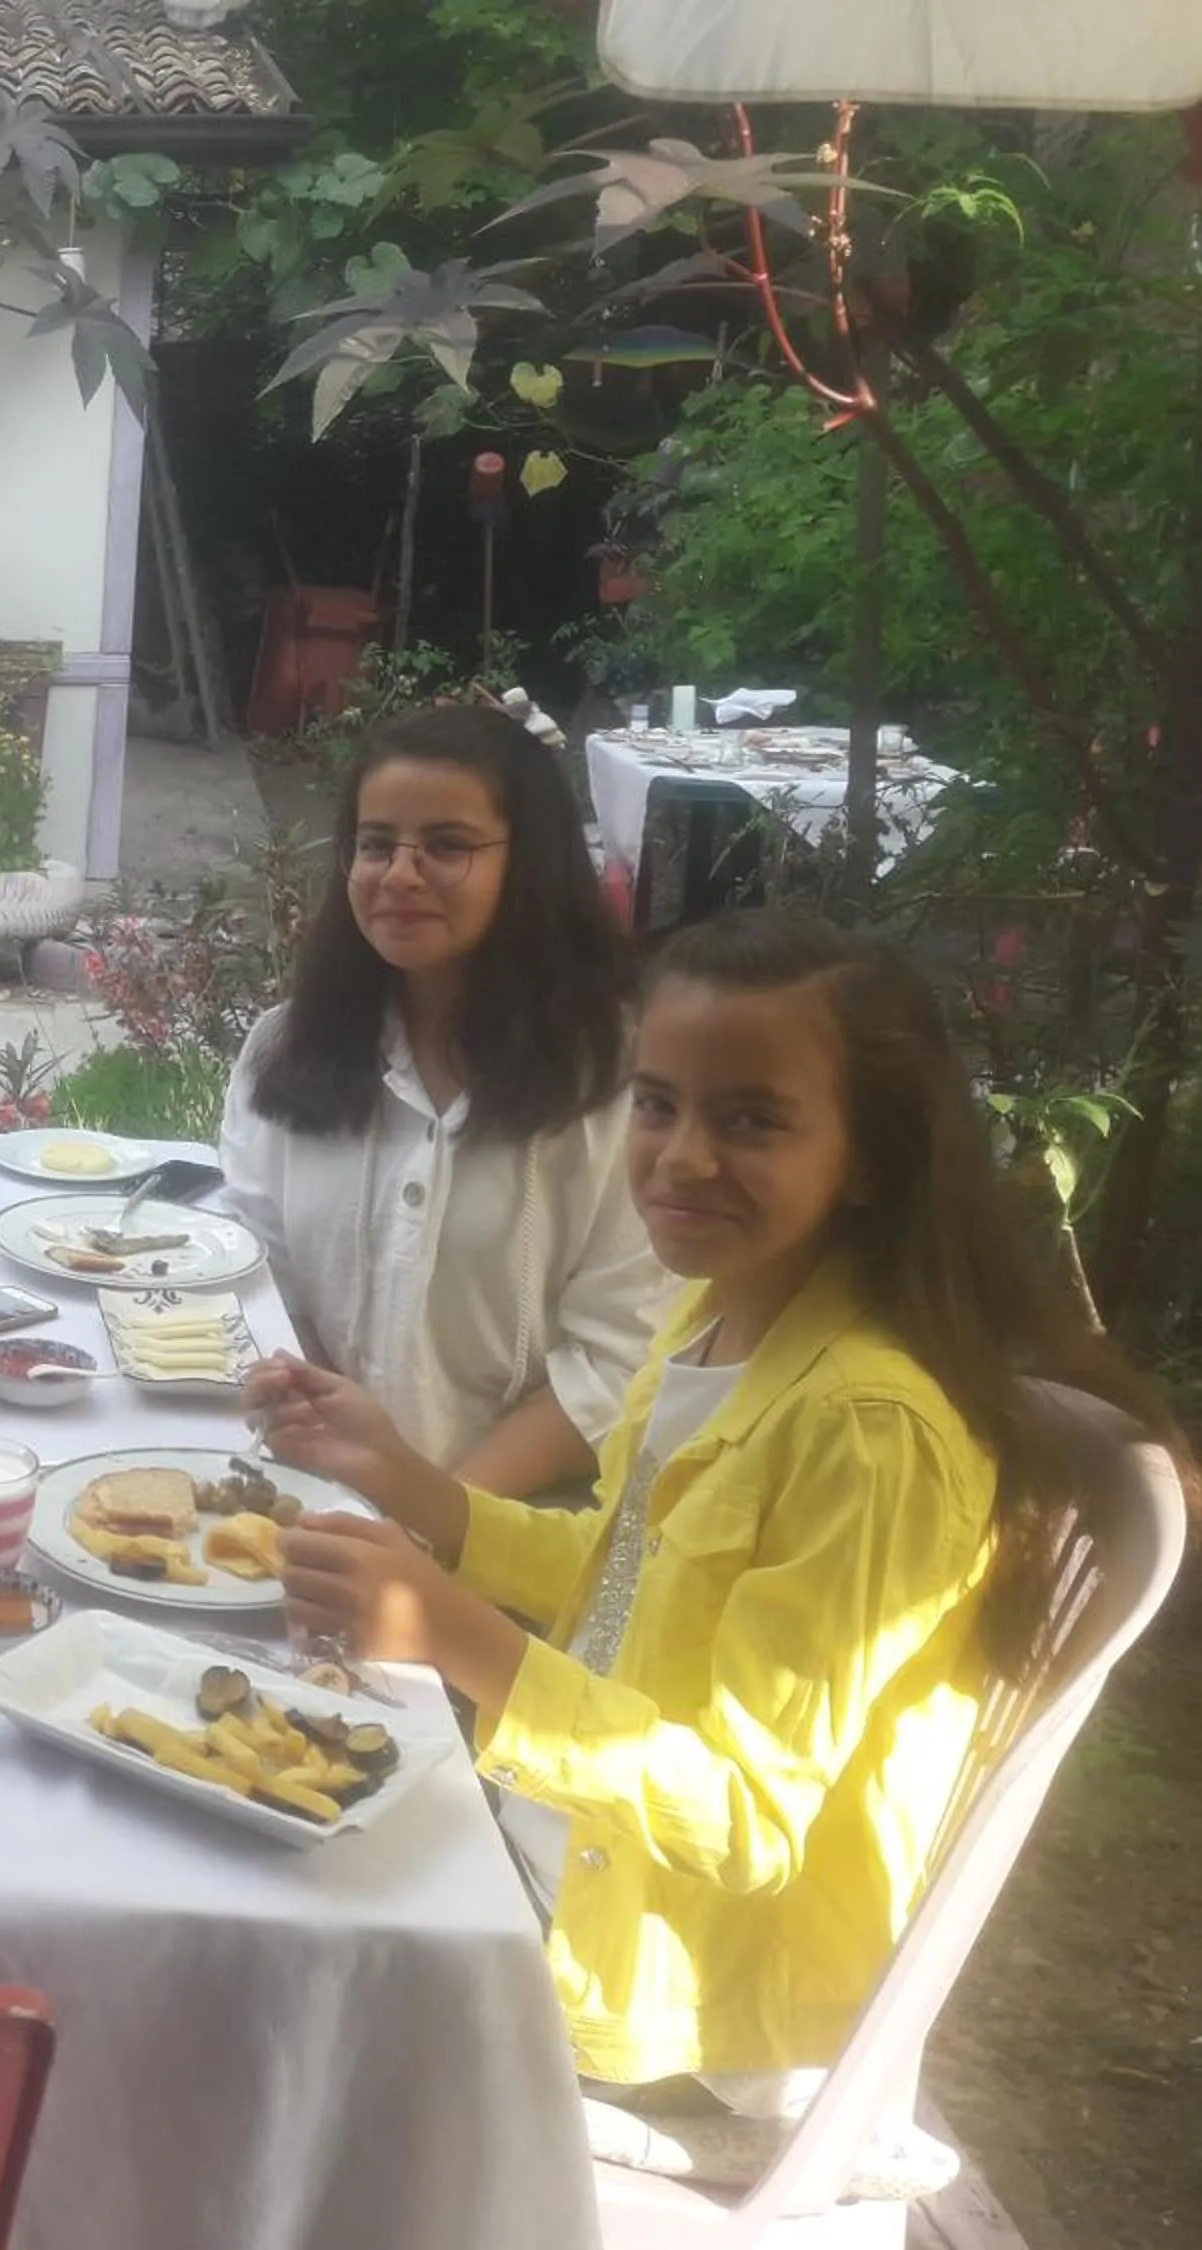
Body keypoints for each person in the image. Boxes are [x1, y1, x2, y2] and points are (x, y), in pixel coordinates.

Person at [261, 912, 1183, 2152]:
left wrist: (462, 1641)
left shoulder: (869, 1426)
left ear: (867, 1155)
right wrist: (413, 1486)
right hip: (565, 1865)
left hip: (680, 2029)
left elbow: (746, 1812)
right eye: (657, 1104)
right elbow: (626, 1569)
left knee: (257, 2017)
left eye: (752, 1119)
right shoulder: (720, 1319)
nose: (683, 1158)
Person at [218, 702, 665, 1494]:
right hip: (313, 1504)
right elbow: (258, 1281)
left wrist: (433, 1523)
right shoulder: (286, 1052)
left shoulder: (624, 1083)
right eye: (376, 844)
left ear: (528, 863)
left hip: (529, 1540)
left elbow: (618, 1356)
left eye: (448, 846)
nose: (399, 875)